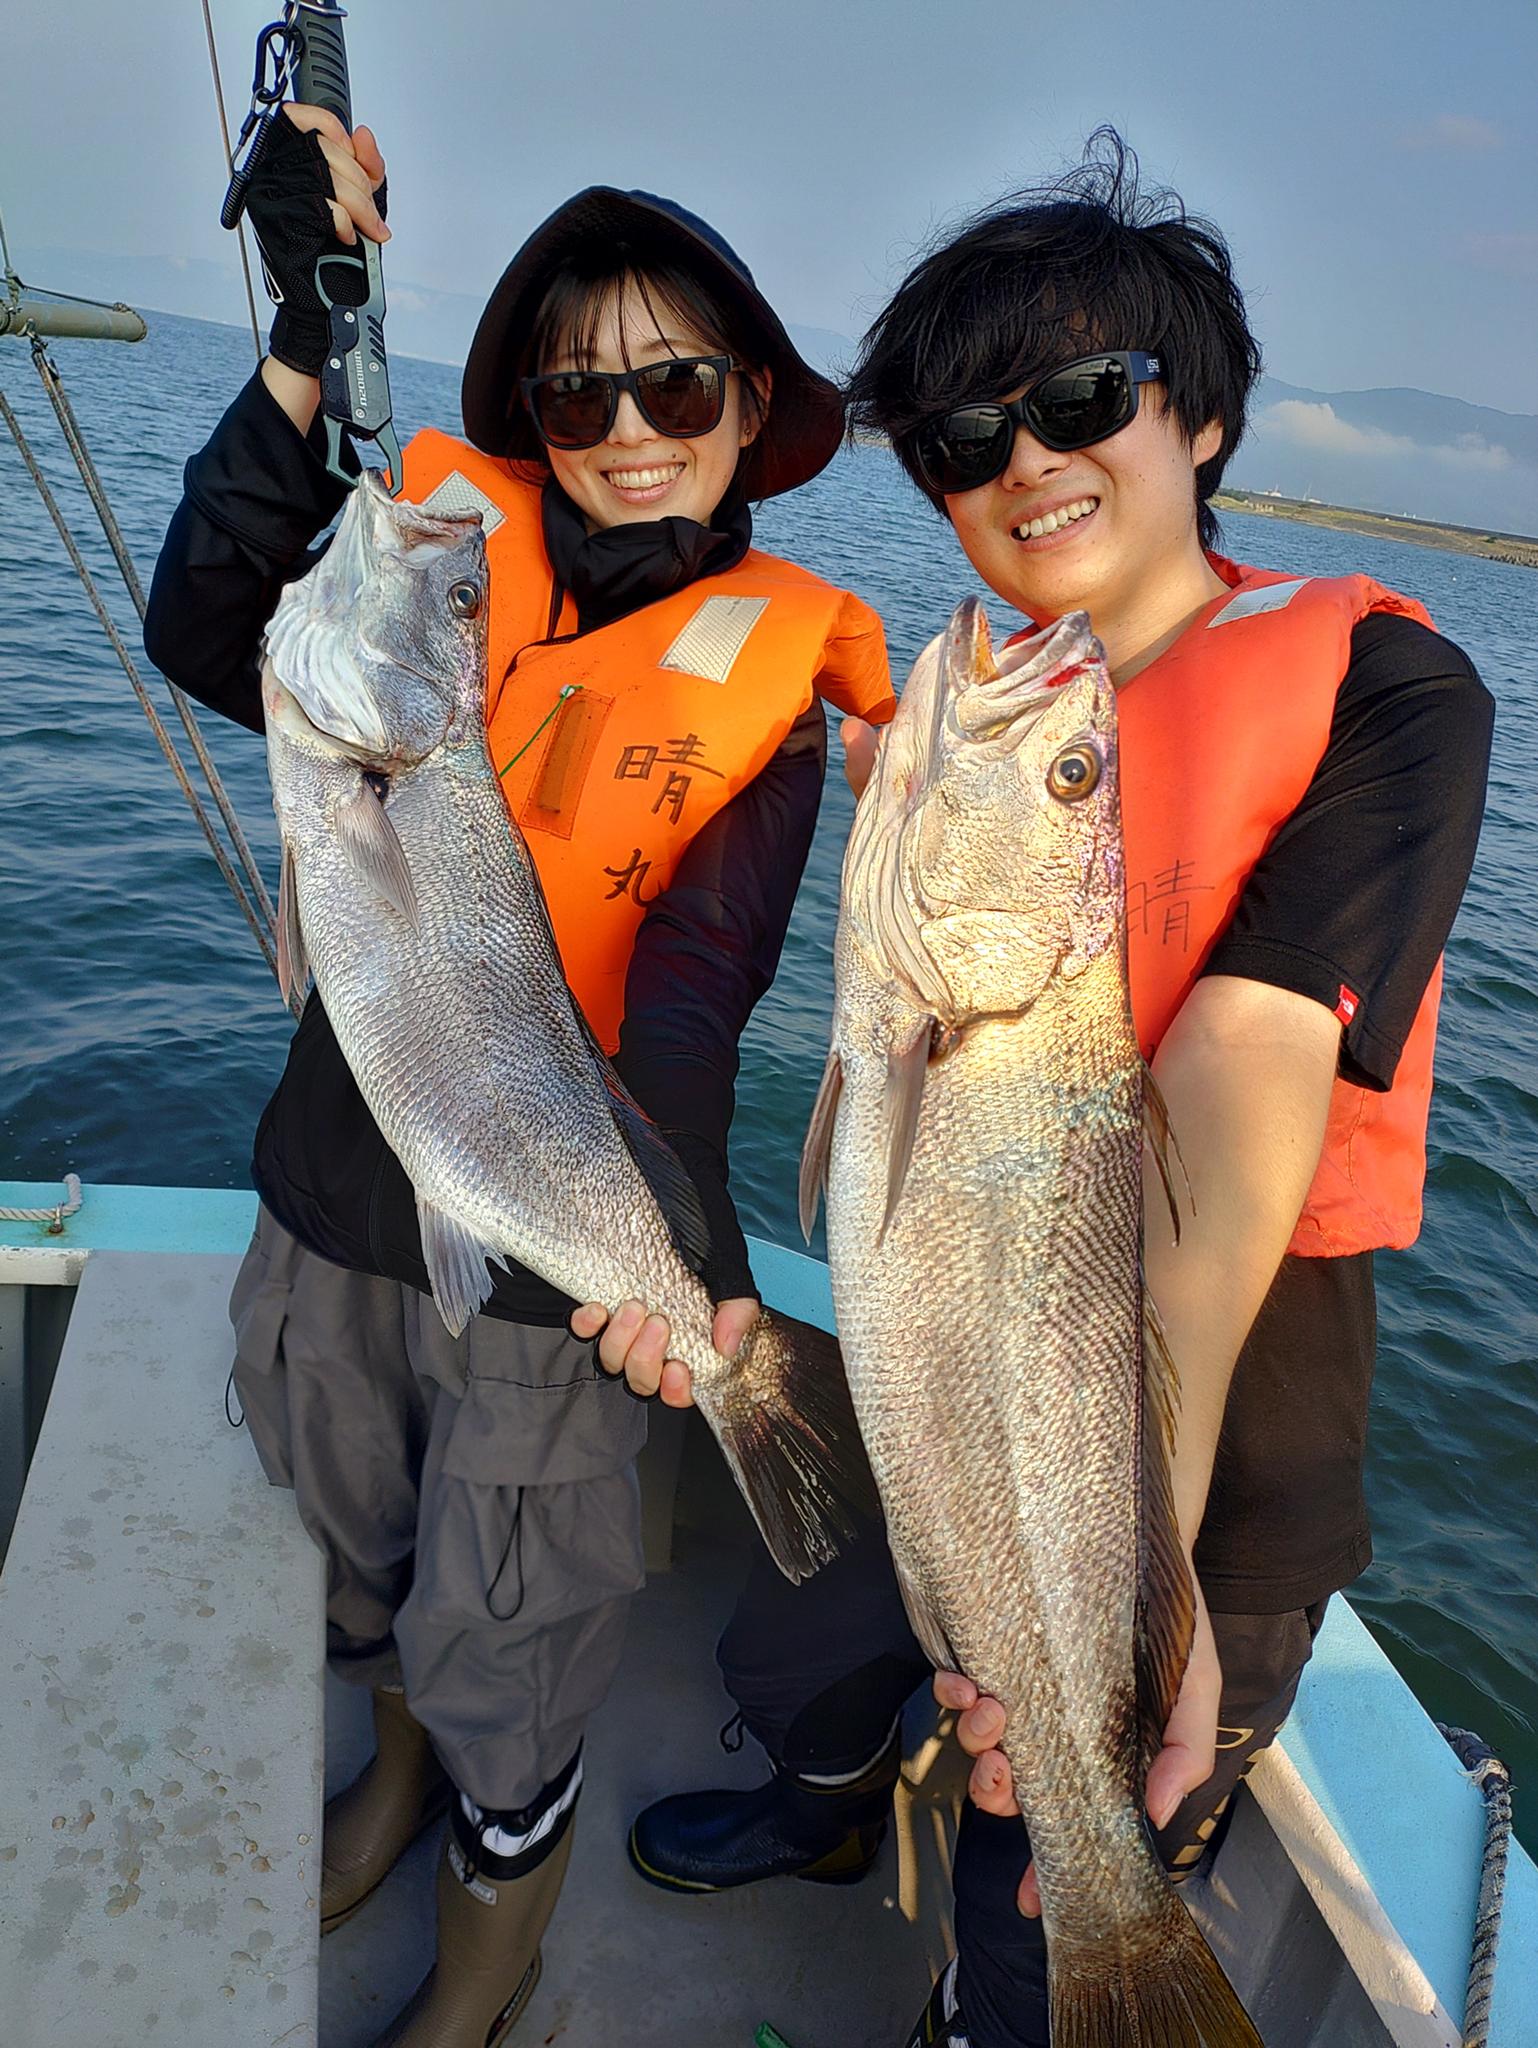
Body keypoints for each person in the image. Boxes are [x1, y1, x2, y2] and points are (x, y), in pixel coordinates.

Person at [622, 133, 1494, 2046]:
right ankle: (822, 1813)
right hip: (946, 1352)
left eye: (1082, 398)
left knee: (1053, 1847)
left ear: (1201, 418)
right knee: (808, 1643)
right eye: (962, 438)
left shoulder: (1388, 692)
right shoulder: (994, 717)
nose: (1023, 458)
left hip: (1219, 1454)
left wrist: (1137, 1550)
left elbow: (1242, 1062)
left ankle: (1023, 1984)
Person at [143, 101, 892, 2048]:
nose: (626, 425)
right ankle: (391, 1775)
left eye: (676, 382)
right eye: (575, 391)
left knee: (512, 1630)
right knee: (359, 1555)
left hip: (556, 1266)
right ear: (531, 418)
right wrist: (305, 333)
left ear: (749, 407)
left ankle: (482, 1979)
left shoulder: (766, 701)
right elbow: (204, 618)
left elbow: (697, 1004)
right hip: (338, 1198)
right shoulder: (421, 589)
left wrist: (683, 1283)